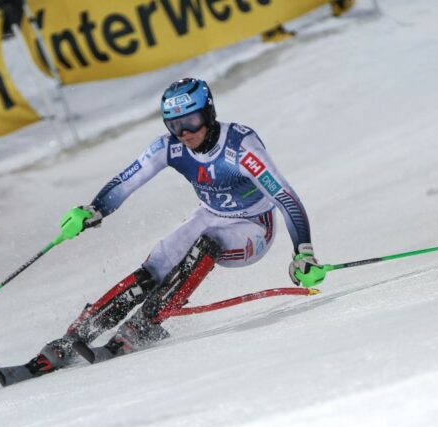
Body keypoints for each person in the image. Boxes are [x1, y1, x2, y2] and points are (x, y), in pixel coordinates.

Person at [19, 78, 325, 377]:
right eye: (175, 125)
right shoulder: (171, 148)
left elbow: (285, 197)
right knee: (156, 265)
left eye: (191, 121)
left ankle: (145, 324)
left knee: (207, 242)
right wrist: (94, 209)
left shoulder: (240, 147)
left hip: (254, 228)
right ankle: (76, 336)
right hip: (210, 214)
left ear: (208, 113)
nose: (185, 133)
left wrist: (304, 252)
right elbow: (128, 180)